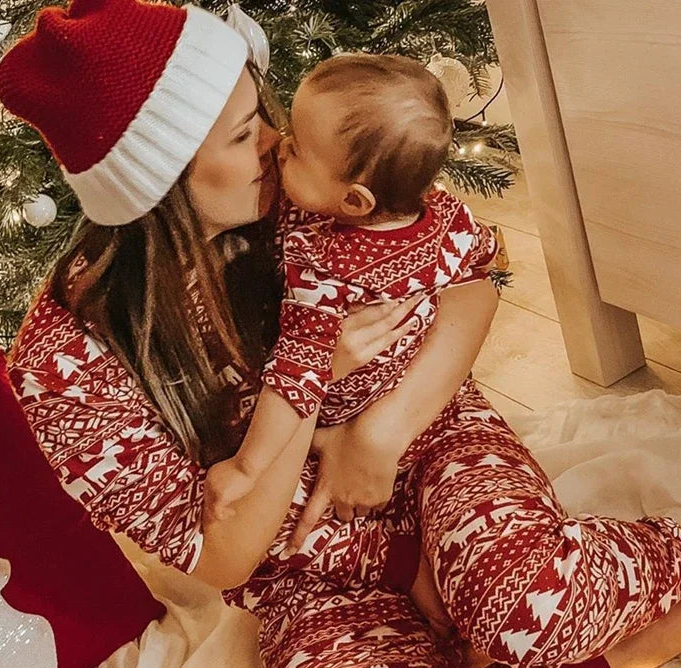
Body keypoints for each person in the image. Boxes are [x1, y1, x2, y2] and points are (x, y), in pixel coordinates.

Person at [0, 1, 681, 668]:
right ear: (163, 176)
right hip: (309, 571)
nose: (275, 141)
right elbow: (223, 555)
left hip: (430, 444)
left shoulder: (312, 185)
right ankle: (608, 662)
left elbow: (472, 281)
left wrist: (379, 436)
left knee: (526, 600)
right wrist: (316, 400)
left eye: (263, 114)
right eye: (244, 131)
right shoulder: (65, 363)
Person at [205, 53, 501, 522]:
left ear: (354, 200)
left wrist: (246, 467)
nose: (278, 144)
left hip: (363, 418)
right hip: (396, 413)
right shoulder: (448, 218)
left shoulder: (323, 266)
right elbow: (484, 253)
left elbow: (296, 374)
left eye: (297, 148)